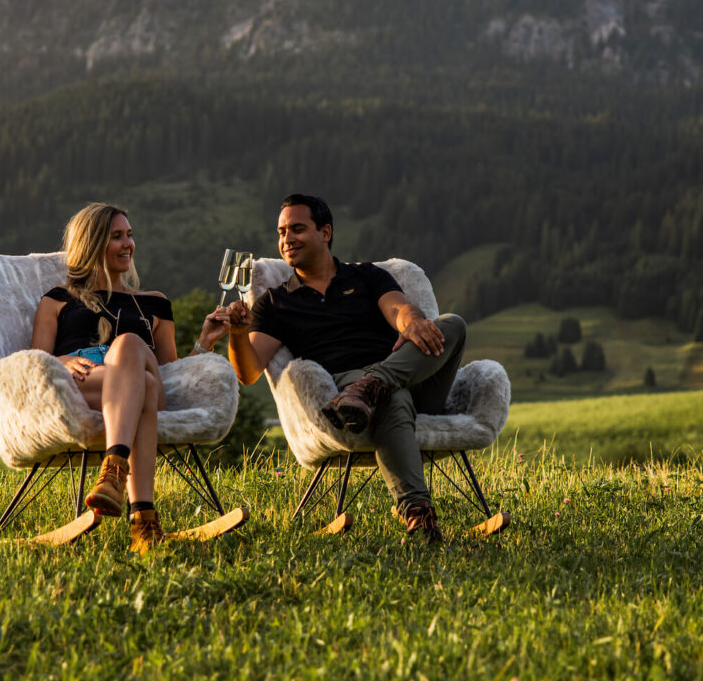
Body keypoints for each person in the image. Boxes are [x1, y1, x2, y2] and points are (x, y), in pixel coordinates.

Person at [201, 193, 467, 543]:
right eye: (281, 232)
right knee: (392, 396)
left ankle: (376, 382)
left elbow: (398, 309)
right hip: (347, 388)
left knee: (453, 324)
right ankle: (418, 516)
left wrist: (413, 322)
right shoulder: (276, 302)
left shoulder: (366, 276)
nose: (287, 239)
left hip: (410, 378)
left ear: (325, 232)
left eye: (297, 229)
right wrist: (237, 334)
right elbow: (248, 373)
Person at [30, 202, 215, 553]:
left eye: (129, 235)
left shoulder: (155, 303)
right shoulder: (57, 300)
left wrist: (205, 341)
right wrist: (63, 360)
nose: (128, 244)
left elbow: (171, 373)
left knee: (130, 346)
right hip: (88, 383)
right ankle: (143, 521)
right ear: (92, 243)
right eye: (117, 236)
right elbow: (35, 362)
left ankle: (114, 469)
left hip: (144, 378)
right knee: (143, 386)